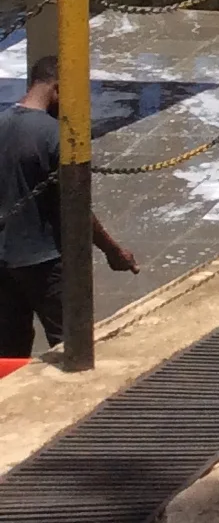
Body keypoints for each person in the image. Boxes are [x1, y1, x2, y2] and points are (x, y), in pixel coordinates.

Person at [0, 54, 140, 357]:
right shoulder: (55, 136)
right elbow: (77, 209)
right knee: (72, 346)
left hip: (3, 263)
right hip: (47, 264)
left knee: (8, 351)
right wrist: (113, 251)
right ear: (58, 89)